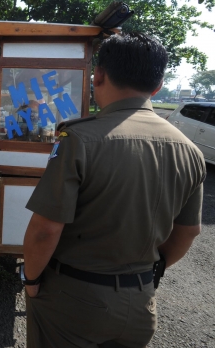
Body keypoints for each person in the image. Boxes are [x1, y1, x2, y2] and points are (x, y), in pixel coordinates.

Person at [22, 33, 206, 348]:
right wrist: (149, 275)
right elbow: (188, 232)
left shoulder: (79, 140)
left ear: (99, 75)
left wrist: (32, 279)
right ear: (158, 85)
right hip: (141, 304)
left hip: (73, 302)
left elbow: (45, 229)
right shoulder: (190, 151)